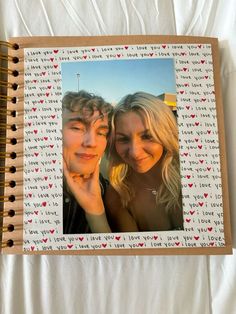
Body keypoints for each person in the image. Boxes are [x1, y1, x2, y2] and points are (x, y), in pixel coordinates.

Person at [105, 92, 183, 232]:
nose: (135, 152)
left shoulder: (197, 178)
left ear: (166, 135)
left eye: (147, 136)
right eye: (123, 139)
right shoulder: (118, 196)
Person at [62, 90, 113, 234]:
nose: (91, 143)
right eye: (77, 128)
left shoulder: (111, 196)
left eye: (101, 133)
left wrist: (96, 210)